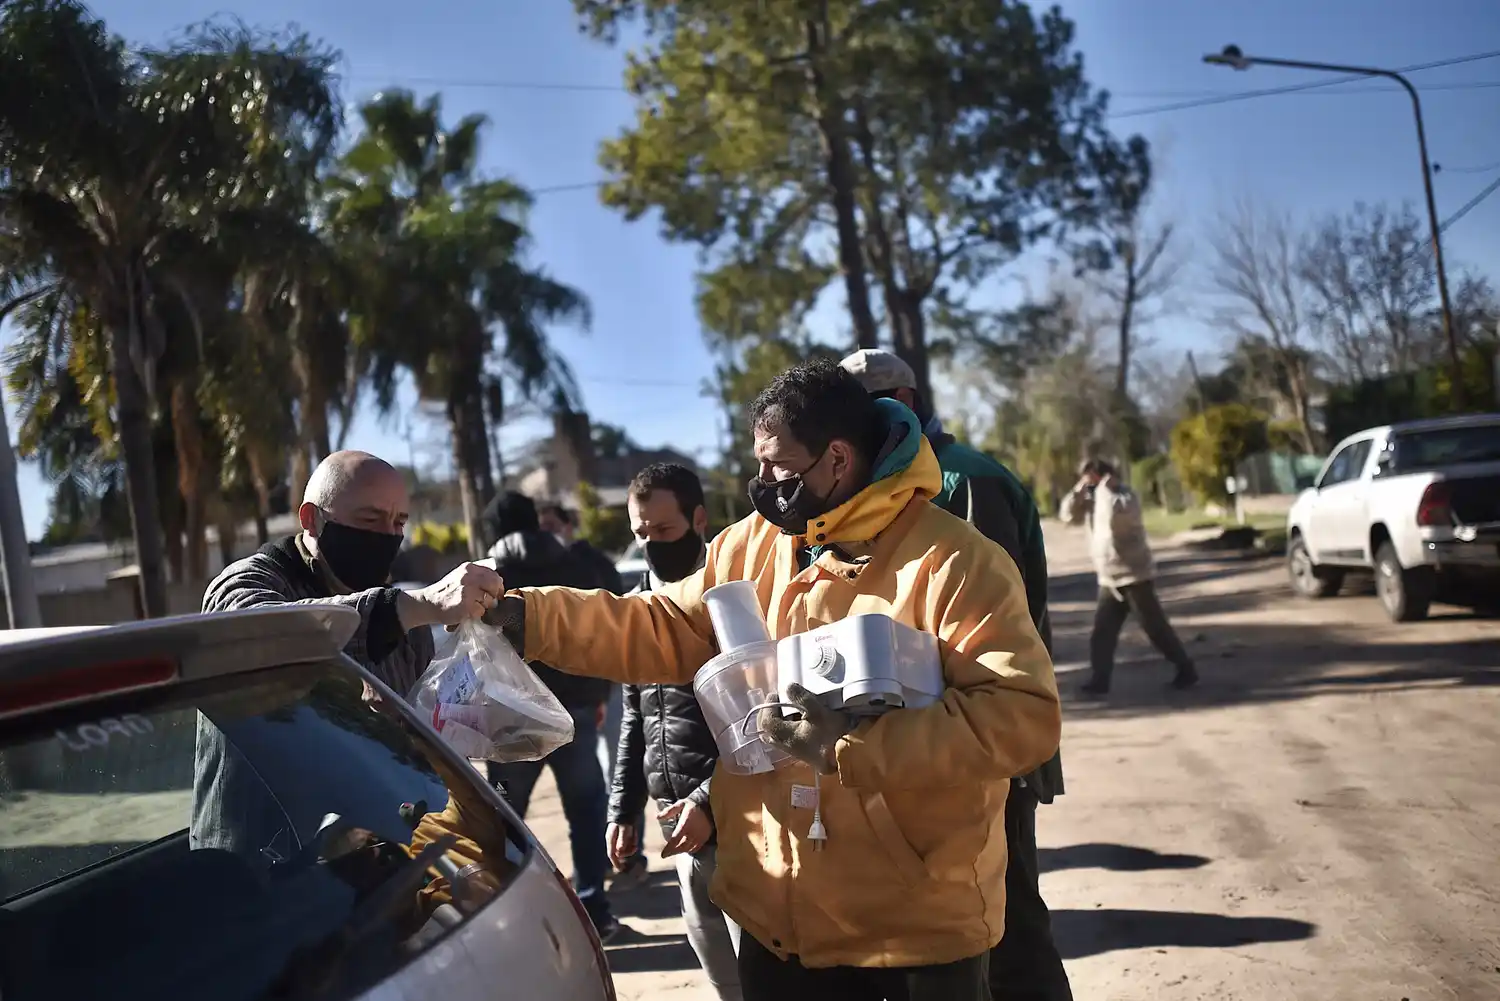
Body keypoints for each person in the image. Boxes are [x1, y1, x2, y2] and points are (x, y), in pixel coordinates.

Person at [485, 359, 1060, 1001]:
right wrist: (525, 615)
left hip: (907, 931)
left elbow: (1019, 716)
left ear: (838, 460)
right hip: (773, 922)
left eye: (779, 468)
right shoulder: (753, 544)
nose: (761, 483)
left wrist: (847, 746)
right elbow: (661, 624)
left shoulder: (953, 562)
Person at [840, 349, 1071, 1001]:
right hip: (936, 746)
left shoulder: (961, 481)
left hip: (985, 744)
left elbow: (988, 643)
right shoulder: (898, 486)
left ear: (899, 406)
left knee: (1011, 925)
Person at [196, 450, 502, 857]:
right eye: (369, 521)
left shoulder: (403, 624)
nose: (386, 537)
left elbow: (420, 734)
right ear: (311, 519)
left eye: (398, 524)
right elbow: (257, 633)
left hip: (376, 866)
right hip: (259, 870)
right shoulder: (248, 580)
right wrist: (413, 607)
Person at [608, 462, 742, 1001]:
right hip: (677, 822)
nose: (650, 544)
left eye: (662, 531)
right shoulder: (638, 601)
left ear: (699, 519)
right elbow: (635, 715)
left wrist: (712, 801)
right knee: (720, 974)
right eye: (640, 534)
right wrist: (623, 808)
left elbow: (762, 719)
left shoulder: (730, 598)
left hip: (739, 815)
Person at [483, 490, 622, 941]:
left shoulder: (486, 575)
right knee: (585, 809)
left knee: (503, 817)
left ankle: (509, 914)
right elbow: (598, 630)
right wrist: (599, 691)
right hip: (574, 709)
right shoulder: (575, 563)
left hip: (510, 720)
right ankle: (595, 908)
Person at [1059, 458, 1199, 695]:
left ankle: (1185, 668)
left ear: (1101, 474)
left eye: (1089, 476)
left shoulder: (1123, 495)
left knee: (1156, 629)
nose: (1087, 481)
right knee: (1102, 633)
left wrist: (1106, 491)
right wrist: (1078, 492)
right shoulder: (1092, 500)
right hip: (1109, 579)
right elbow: (1067, 516)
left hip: (1134, 576)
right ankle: (1099, 680)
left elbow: (1122, 518)